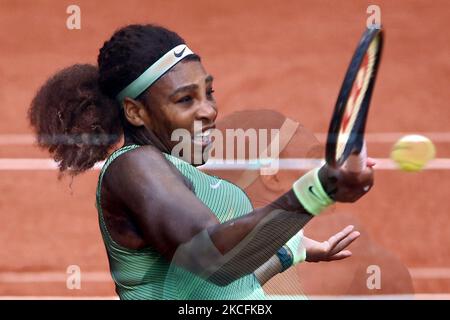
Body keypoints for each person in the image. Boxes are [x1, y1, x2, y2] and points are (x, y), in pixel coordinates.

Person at [28, 24, 374, 300]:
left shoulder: (163, 168)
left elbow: (219, 293)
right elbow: (213, 258)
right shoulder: (133, 167)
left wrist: (287, 250)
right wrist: (316, 192)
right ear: (135, 111)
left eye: (208, 92)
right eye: (185, 99)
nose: (209, 110)